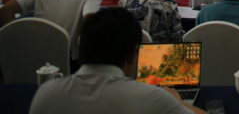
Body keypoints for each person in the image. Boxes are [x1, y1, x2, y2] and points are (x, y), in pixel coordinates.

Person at [28, 8, 204, 115]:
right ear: (133, 55)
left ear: (82, 45)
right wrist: (178, 101)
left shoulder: (45, 95)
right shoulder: (152, 98)